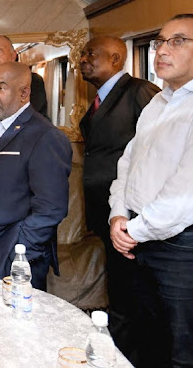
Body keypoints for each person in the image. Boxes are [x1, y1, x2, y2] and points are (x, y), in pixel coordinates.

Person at [108, 14, 193, 366]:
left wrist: (134, 230)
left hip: (187, 248)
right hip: (141, 237)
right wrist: (119, 214)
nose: (162, 50)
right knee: (147, 341)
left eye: (178, 41)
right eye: (160, 42)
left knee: (188, 352)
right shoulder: (158, 102)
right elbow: (129, 164)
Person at [78, 36, 159, 361]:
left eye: (90, 54)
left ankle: (129, 355)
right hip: (108, 212)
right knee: (121, 288)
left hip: (131, 214)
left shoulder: (140, 93)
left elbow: (154, 152)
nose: (82, 59)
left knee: (133, 293)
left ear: (115, 58)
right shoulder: (99, 99)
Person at [0, 62, 71, 290]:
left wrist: (17, 252)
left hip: (11, 257)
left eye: (1, 88)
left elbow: (51, 208)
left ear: (24, 93)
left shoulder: (44, 136)